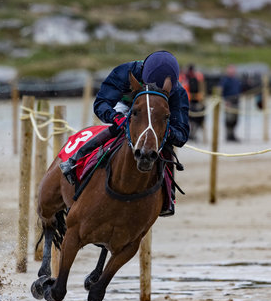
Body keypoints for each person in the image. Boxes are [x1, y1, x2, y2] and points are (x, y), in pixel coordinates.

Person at [60, 50, 190, 216]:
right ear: (144, 76)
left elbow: (182, 135)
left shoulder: (177, 92)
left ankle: (168, 197)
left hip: (157, 117)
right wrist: (116, 118)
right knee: (115, 131)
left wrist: (163, 130)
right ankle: (75, 160)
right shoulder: (126, 72)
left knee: (163, 145)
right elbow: (101, 103)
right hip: (126, 108)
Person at [182, 64, 206, 141]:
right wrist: (195, 96)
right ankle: (190, 133)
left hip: (195, 104)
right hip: (188, 103)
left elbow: (202, 93)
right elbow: (185, 93)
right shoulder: (185, 79)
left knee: (199, 117)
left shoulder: (197, 78)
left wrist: (198, 97)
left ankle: (193, 133)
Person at [220, 65, 241, 142]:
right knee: (229, 120)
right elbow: (221, 90)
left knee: (235, 120)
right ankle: (228, 135)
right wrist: (225, 101)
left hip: (236, 101)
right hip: (229, 101)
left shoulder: (236, 80)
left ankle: (232, 135)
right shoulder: (225, 80)